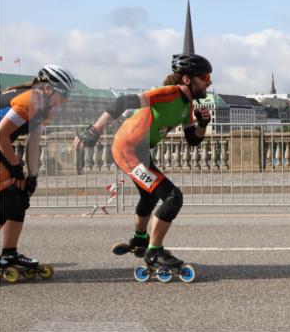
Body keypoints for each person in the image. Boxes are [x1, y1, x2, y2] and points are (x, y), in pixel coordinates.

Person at [75, 53, 212, 271]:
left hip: (141, 152)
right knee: (172, 197)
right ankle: (154, 251)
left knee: (149, 196)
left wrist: (203, 123)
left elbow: (192, 140)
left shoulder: (188, 106)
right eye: (205, 76)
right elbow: (121, 101)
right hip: (127, 152)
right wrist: (95, 129)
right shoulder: (169, 94)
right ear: (187, 79)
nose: (209, 81)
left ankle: (140, 239)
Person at [0, 65, 77, 274]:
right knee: (8, 199)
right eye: (65, 94)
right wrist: (15, 168)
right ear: (49, 89)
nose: (66, 100)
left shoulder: (43, 106)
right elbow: (0, 135)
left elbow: (34, 142)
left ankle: (9, 254)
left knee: (20, 196)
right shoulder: (30, 99)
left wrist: (32, 175)